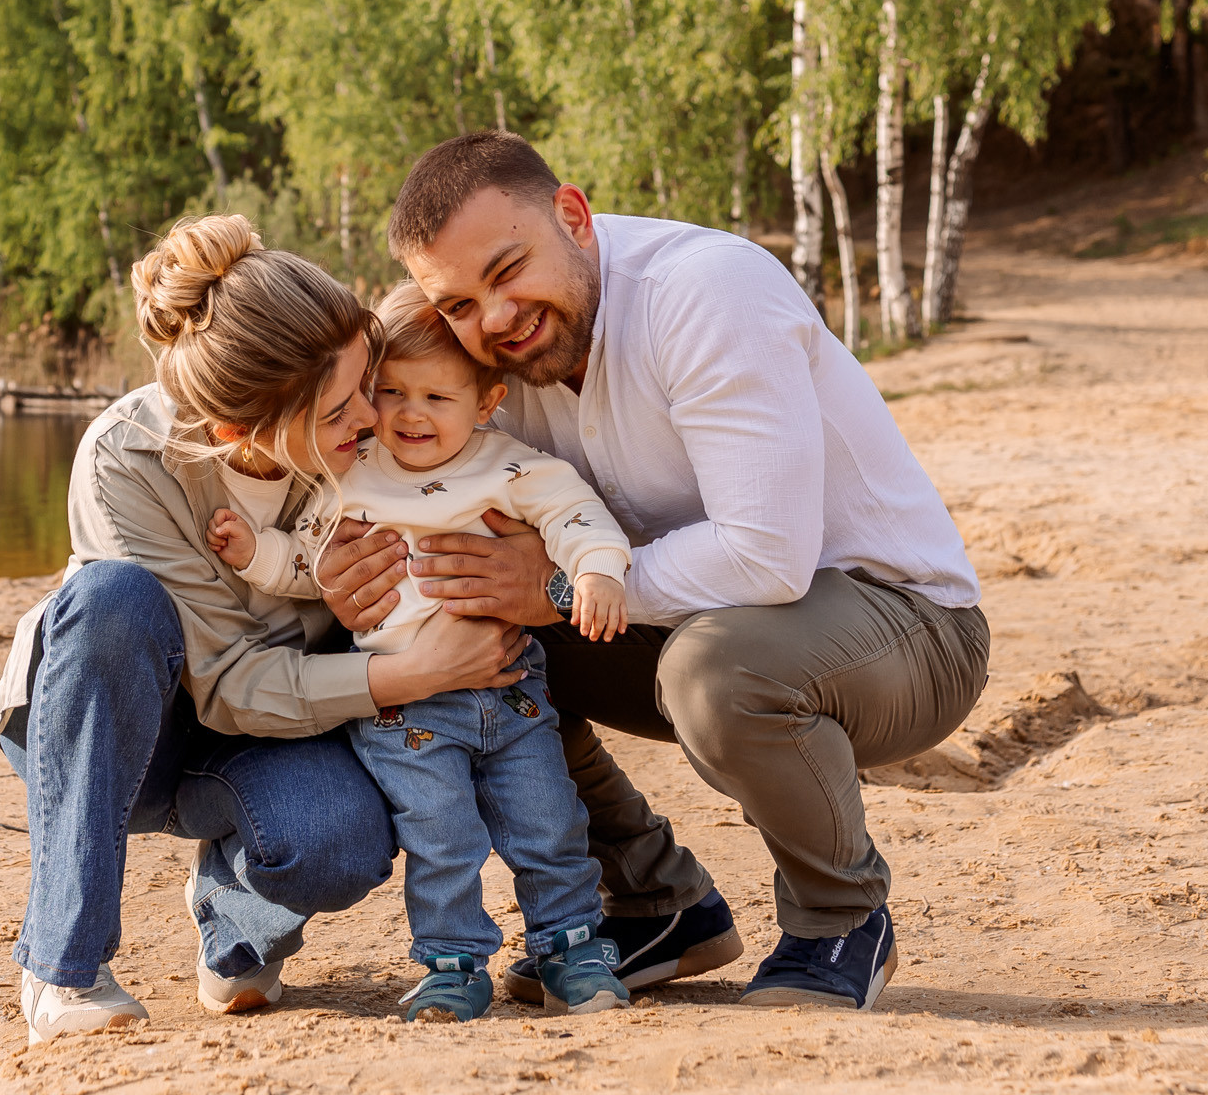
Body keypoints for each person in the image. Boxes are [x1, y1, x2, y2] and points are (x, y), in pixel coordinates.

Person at [319, 132, 990, 1012]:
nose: (495, 318)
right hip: (691, 620)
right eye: (459, 303)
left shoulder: (706, 293)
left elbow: (766, 556)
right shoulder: (485, 354)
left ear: (573, 215)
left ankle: (841, 919)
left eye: (509, 268)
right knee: (462, 628)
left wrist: (552, 590)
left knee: (713, 668)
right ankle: (656, 903)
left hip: (904, 626)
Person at [0, 216, 531, 1045]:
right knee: (113, 601)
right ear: (244, 432)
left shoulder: (375, 451)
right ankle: (64, 967)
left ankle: (235, 928)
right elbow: (230, 683)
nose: (372, 416)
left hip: (269, 732)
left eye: (368, 382)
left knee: (340, 841)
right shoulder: (128, 457)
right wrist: (411, 674)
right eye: (338, 408)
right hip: (113, 732)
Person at [207, 281, 633, 1021]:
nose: (410, 413)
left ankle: (572, 949)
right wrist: (257, 557)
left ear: (487, 402)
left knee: (548, 821)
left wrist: (594, 569)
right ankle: (453, 962)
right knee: (440, 838)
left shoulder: (510, 468)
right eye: (392, 392)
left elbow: (575, 515)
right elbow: (313, 565)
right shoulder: (349, 474)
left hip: (509, 690)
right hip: (405, 710)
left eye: (438, 398)